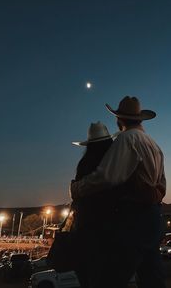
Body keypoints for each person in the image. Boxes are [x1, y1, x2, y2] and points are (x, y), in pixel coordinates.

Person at [71, 96, 167, 288]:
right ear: (139, 119)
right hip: (154, 216)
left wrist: (78, 188)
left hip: (135, 217)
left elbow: (107, 176)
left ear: (119, 119)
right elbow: (162, 183)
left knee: (113, 277)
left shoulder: (126, 139)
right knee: (151, 277)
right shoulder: (153, 144)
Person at [68, 121, 123, 288]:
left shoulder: (84, 164)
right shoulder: (114, 164)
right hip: (112, 226)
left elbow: (77, 196)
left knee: (90, 275)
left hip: (86, 227)